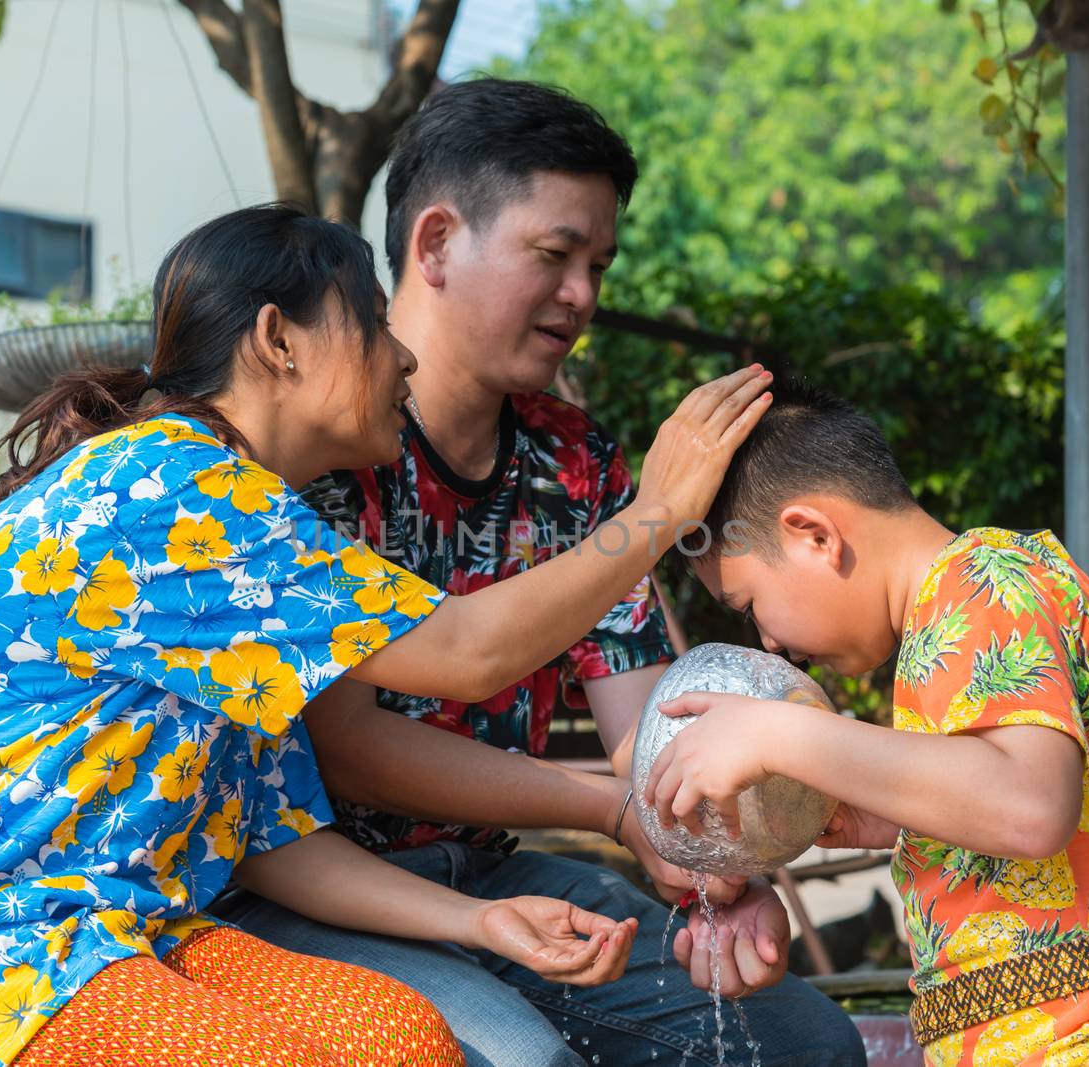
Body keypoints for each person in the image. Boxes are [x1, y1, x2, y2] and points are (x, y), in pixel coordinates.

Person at [0, 205, 773, 1067]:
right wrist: (656, 510)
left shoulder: (247, 522)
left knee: (400, 1039)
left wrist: (481, 919)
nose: (406, 357)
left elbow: (273, 836)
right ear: (278, 340)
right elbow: (467, 649)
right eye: (377, 326)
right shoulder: (171, 484)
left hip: (112, 934)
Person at [211, 79, 866, 1067]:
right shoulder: (313, 449)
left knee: (804, 1042)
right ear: (432, 244)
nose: (583, 295)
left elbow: (654, 740)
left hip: (491, 872)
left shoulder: (575, 461)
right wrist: (614, 804)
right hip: (299, 887)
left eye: (598, 264)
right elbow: (350, 745)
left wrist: (718, 861)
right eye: (553, 256)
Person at [644, 377, 1089, 1065]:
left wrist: (778, 733)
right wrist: (898, 817)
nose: (766, 640)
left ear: (815, 535)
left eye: (748, 603)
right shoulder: (950, 621)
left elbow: (1029, 804)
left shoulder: (980, 580)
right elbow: (1015, 809)